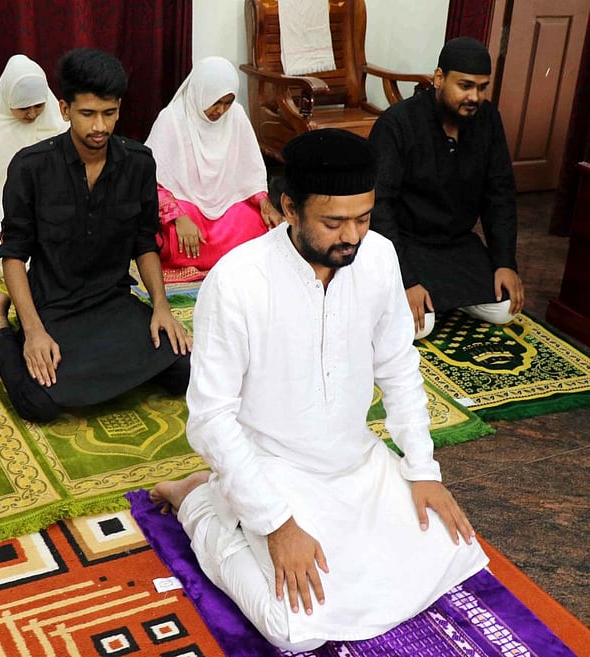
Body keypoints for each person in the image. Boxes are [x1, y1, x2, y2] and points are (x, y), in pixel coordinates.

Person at [152, 130, 487, 652]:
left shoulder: (378, 257)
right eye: (334, 222)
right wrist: (276, 523)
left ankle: (231, 505)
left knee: (454, 552)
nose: (352, 236)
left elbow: (399, 366)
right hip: (273, 470)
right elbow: (211, 418)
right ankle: (199, 502)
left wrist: (421, 470)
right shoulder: (238, 281)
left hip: (356, 462)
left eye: (364, 217)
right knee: (295, 627)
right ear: (289, 208)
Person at [0, 49, 191, 423]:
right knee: (38, 403)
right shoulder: (31, 167)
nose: (99, 127)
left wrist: (161, 307)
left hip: (113, 302)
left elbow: (144, 242)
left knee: (185, 372)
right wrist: (33, 331)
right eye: (87, 114)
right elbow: (13, 255)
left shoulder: (139, 162)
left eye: (109, 113)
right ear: (64, 109)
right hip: (51, 308)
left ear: (119, 108)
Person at [369, 36, 524, 339]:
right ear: (439, 78)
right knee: (420, 328)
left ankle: (445, 301)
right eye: (465, 86)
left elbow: (500, 193)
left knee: (505, 307)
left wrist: (505, 262)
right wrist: (405, 279)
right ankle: (413, 299)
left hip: (456, 245)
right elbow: (379, 205)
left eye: (482, 87)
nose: (475, 97)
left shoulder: (488, 119)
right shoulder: (398, 124)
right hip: (406, 243)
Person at [145, 56, 282, 280]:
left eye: (227, 103)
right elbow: (152, 181)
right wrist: (178, 217)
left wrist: (264, 203)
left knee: (257, 222)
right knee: (165, 236)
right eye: (215, 101)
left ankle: (207, 257)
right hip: (186, 209)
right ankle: (224, 256)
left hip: (226, 205)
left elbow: (249, 172)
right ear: (201, 91)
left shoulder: (235, 115)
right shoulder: (171, 119)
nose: (220, 110)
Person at [0, 54, 67, 279]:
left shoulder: (56, 121)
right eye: (23, 108)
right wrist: (2, 222)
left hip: (52, 213)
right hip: (2, 215)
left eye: (38, 105)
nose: (32, 114)